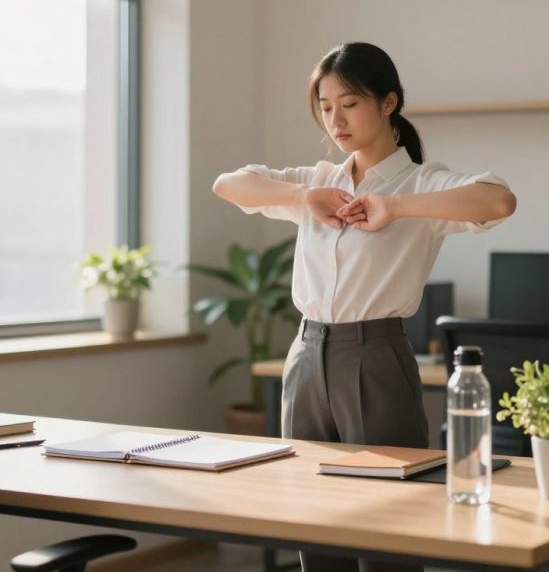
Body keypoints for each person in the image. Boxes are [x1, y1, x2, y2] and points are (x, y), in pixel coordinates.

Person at [212, 42, 516, 572]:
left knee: (389, 529)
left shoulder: (421, 182)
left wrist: (394, 207)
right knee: (313, 523)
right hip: (306, 357)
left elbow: (498, 200)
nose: (336, 119)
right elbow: (227, 184)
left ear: (389, 102)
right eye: (325, 107)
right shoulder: (317, 182)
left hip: (376, 358)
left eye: (349, 104)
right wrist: (302, 197)